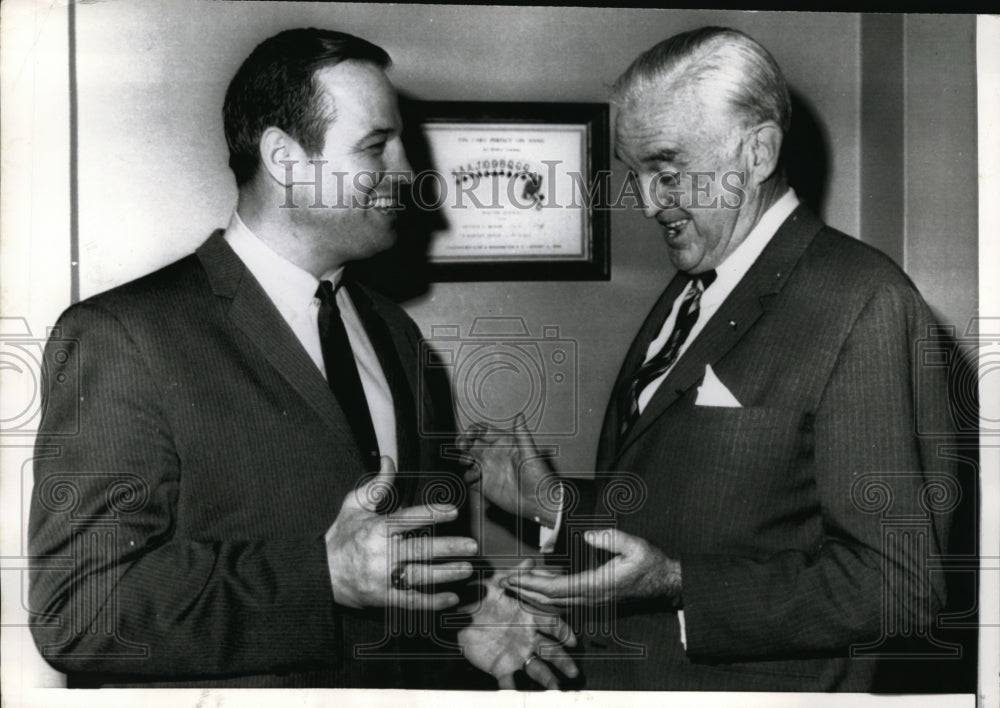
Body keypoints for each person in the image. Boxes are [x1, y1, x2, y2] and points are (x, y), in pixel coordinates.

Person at [28, 28, 576, 689]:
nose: (406, 173)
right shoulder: (124, 338)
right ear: (286, 159)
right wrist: (318, 580)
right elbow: (82, 614)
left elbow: (398, 572)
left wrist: (463, 621)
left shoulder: (395, 335)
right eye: (377, 147)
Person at [461, 26, 958, 691]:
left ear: (756, 152)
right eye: (634, 174)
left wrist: (676, 584)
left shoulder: (862, 300)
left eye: (666, 170)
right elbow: (710, 509)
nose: (644, 200)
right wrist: (557, 507)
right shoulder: (694, 287)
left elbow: (900, 585)